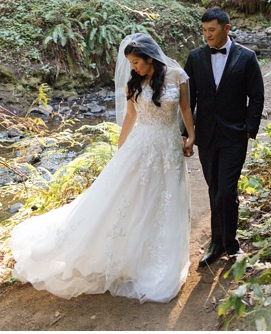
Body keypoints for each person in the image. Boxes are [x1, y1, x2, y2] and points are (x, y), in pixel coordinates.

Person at [10, 33, 194, 303]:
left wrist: (191, 135)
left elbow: (186, 108)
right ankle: (126, 258)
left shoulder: (178, 75)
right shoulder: (134, 83)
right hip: (140, 146)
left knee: (166, 201)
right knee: (132, 200)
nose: (134, 67)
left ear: (150, 57)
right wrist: (121, 151)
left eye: (137, 62)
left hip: (168, 147)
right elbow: (131, 117)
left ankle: (159, 260)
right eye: (130, 63)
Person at [186, 7, 264, 267]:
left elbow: (257, 96)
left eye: (212, 30)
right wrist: (187, 133)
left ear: (226, 29)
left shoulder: (247, 57)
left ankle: (231, 245)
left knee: (226, 192)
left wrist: (248, 129)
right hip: (206, 136)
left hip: (234, 135)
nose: (207, 35)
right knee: (214, 190)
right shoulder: (195, 58)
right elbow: (189, 101)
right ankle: (217, 245)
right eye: (204, 30)